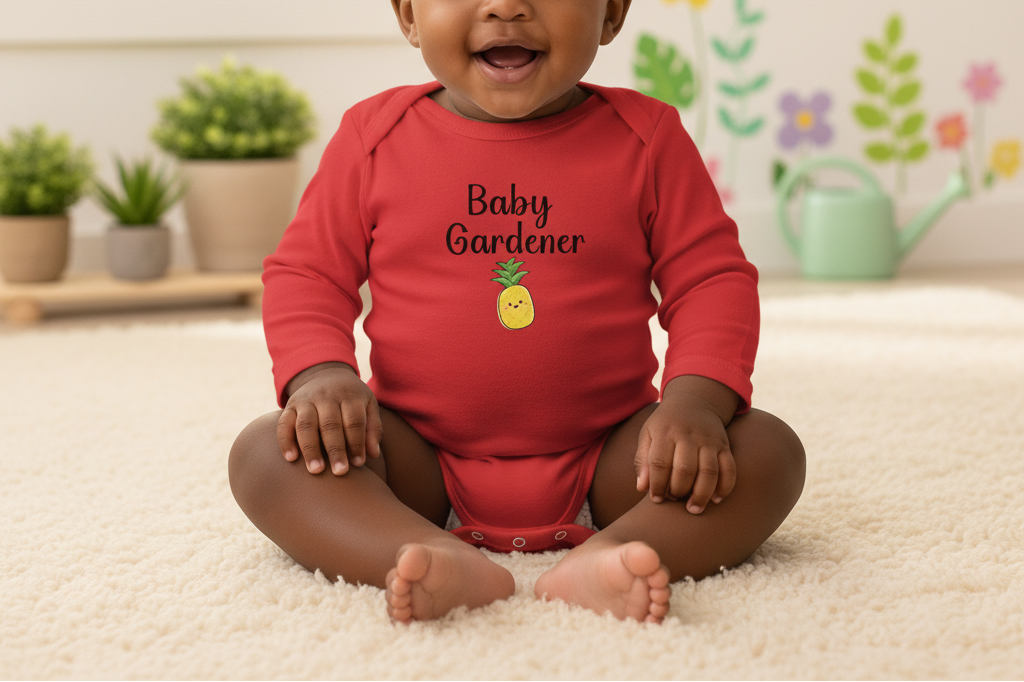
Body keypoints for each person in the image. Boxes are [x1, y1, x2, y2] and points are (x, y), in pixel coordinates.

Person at [228, 0, 805, 625]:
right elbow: (307, 274)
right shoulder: (373, 137)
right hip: (415, 459)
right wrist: (320, 377)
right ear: (408, 15)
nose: (506, 6)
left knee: (768, 451)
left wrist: (694, 405)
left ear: (611, 14)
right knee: (267, 454)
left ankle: (619, 553)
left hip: (618, 459)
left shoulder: (648, 138)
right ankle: (417, 550)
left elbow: (710, 280)